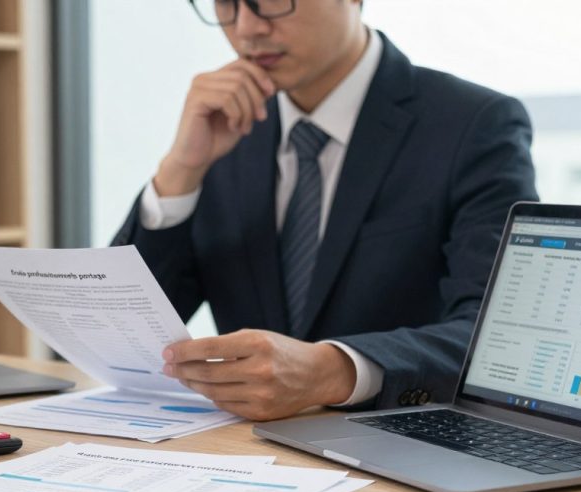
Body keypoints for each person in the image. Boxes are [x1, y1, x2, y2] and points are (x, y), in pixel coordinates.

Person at [111, 0, 539, 420]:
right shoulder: (224, 129)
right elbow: (122, 340)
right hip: (242, 454)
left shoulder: (473, 124)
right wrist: (180, 171)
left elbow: (498, 334)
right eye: (226, 3)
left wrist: (334, 371)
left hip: (401, 454)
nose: (246, 28)